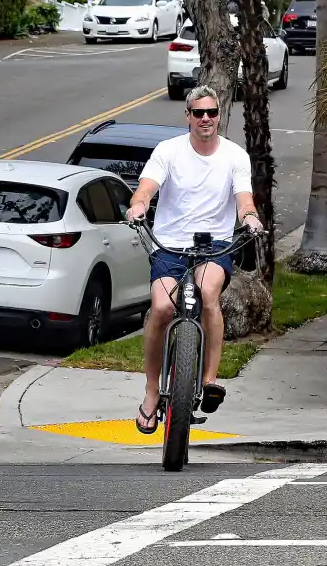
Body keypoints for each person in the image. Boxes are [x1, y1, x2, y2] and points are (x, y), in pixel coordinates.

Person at [124, 85, 263, 434]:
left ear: (218, 116)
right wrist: (138, 205)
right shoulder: (168, 151)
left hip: (213, 246)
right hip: (170, 245)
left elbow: (244, 198)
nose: (206, 119)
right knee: (161, 308)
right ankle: (152, 392)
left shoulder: (235, 156)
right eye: (198, 113)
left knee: (209, 295)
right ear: (188, 116)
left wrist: (249, 216)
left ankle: (210, 380)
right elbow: (147, 187)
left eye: (212, 113)